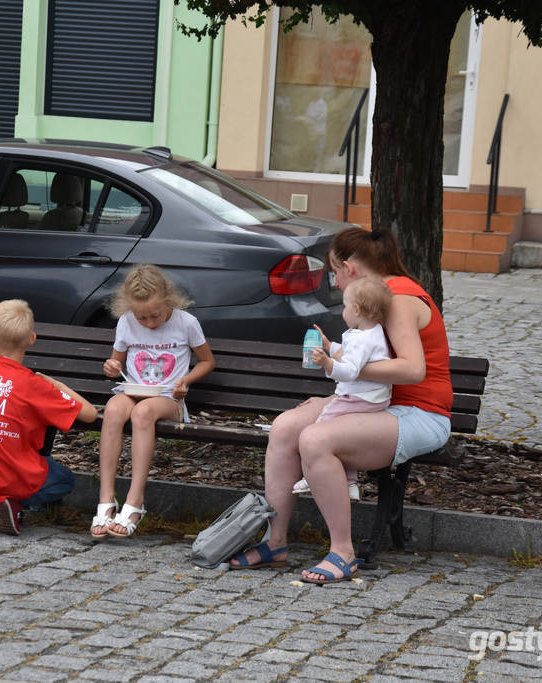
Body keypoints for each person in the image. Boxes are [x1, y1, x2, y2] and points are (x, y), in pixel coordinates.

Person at [227, 227, 453, 584]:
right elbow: (366, 369)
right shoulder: (380, 294)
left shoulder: (399, 298)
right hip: (376, 404)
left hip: (418, 414)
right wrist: (338, 393)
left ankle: (343, 553)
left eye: (334, 272)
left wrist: (342, 370)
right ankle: (275, 542)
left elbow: (412, 369)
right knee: (287, 427)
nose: (334, 281)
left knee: (316, 440)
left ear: (348, 267)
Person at [0, 299, 97, 535]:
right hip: (15, 474)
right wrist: (56, 384)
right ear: (31, 340)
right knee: (65, 479)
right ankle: (13, 503)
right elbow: (89, 414)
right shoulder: (35, 385)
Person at [91, 265, 216, 539]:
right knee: (113, 409)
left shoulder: (185, 323)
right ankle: (106, 499)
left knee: (143, 412)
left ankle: (135, 501)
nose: (149, 322)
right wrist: (111, 366)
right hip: (133, 391)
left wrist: (187, 380)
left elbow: (207, 361)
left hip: (168, 398)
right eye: (141, 317)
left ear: (169, 300)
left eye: (155, 315)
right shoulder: (126, 321)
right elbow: (117, 361)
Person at [291, 276, 392, 501]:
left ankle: (312, 476)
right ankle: (350, 483)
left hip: (358, 397)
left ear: (356, 309)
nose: (343, 311)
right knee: (342, 439)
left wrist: (328, 363)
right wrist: (330, 346)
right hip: (374, 396)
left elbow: (351, 370)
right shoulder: (373, 332)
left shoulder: (360, 340)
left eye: (345, 306)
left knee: (318, 429)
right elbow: (351, 354)